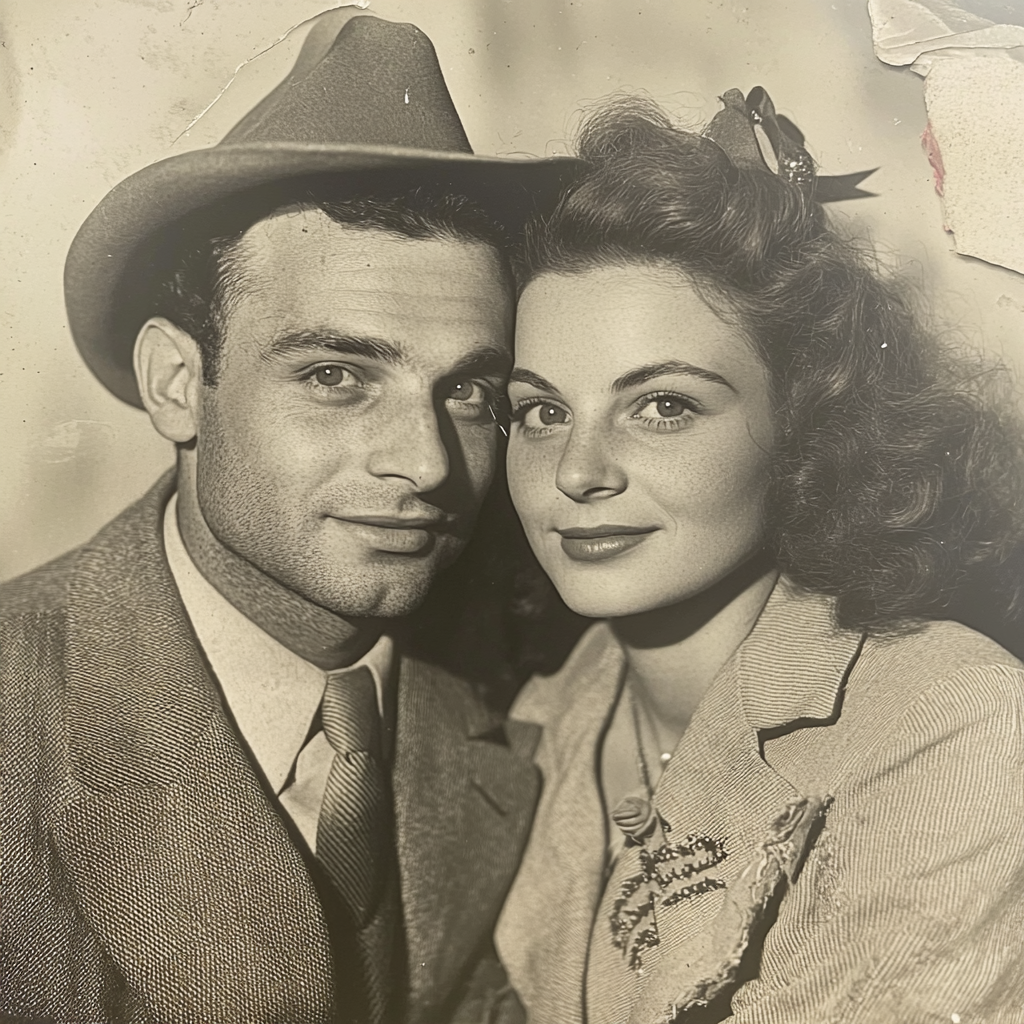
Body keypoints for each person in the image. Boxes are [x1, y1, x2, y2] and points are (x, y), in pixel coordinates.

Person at [0, 13, 578, 1024]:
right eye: (337, 375)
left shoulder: (515, 682)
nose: (427, 462)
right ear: (178, 383)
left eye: (470, 393)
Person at [495, 89, 1024, 1023]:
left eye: (663, 405)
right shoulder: (544, 716)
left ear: (806, 425)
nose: (575, 472)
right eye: (541, 411)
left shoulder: (954, 719)